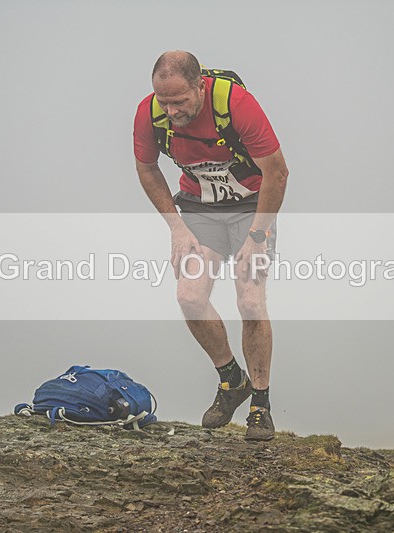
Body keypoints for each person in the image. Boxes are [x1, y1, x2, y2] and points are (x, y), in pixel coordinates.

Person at [133, 51, 288, 441]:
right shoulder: (149, 114)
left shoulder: (237, 105)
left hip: (252, 207)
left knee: (251, 301)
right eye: (163, 101)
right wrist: (176, 228)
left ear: (200, 86)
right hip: (199, 207)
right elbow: (147, 169)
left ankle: (261, 405)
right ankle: (231, 380)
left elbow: (278, 172)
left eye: (179, 101)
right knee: (189, 295)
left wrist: (258, 235)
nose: (170, 110)